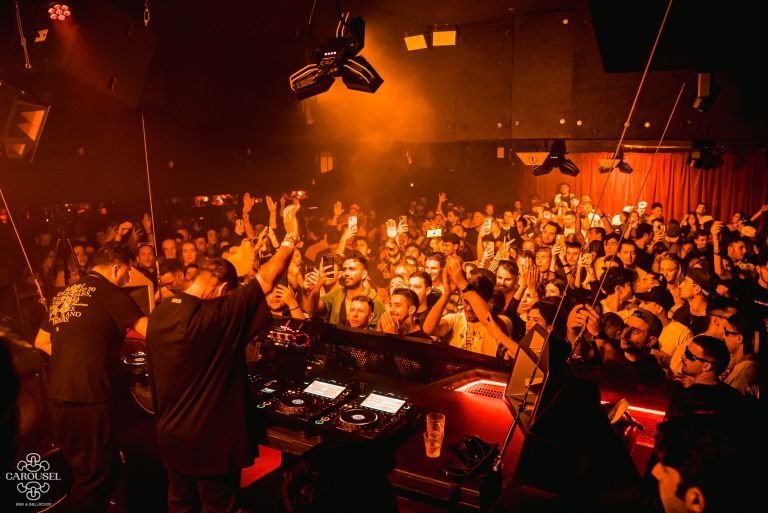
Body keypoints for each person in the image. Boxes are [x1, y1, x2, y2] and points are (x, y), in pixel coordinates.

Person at [147, 204, 300, 513]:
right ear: (221, 289)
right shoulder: (216, 317)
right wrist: (291, 238)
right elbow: (267, 278)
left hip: (170, 436)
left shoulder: (160, 312)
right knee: (219, 508)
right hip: (209, 442)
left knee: (179, 504)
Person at [34, 242, 148, 513]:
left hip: (59, 396)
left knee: (84, 471)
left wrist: (75, 356)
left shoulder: (65, 295)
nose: (129, 278)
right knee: (98, 477)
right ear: (116, 267)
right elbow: (151, 330)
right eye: (128, 272)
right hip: (89, 398)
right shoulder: (110, 293)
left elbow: (41, 341)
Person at [302, 251, 386, 329]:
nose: (346, 273)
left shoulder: (375, 300)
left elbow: (381, 334)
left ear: (364, 274)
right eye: (344, 269)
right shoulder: (338, 293)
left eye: (352, 269)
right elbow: (312, 308)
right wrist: (318, 284)